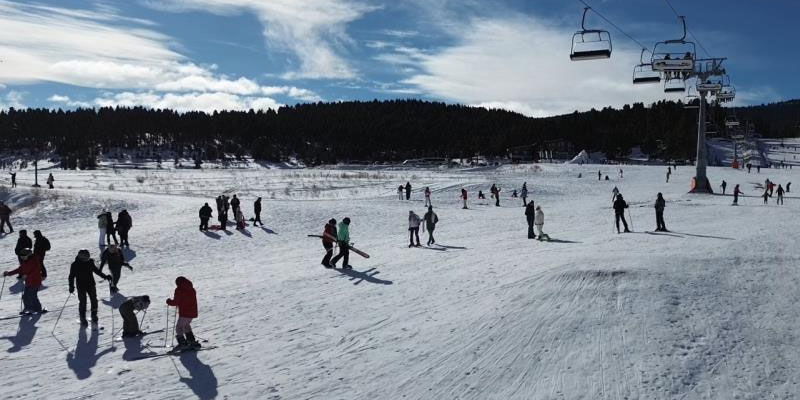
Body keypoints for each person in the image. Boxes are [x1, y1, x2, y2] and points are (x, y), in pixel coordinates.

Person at [69, 249, 111, 326]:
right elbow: (71, 277)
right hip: (81, 285)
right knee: (83, 302)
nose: (87, 260)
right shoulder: (74, 265)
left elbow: (97, 271)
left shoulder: (90, 262)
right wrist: (71, 286)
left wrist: (105, 276)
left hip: (90, 284)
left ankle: (94, 314)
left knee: (94, 299)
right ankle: (82, 317)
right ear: (81, 258)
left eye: (88, 258)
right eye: (86, 259)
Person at [3, 249, 46, 314]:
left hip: (35, 282)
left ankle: (38, 309)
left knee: (32, 296)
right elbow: (20, 269)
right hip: (28, 282)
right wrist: (9, 273)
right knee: (25, 296)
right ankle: (28, 308)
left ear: (29, 255)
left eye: (24, 256)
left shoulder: (34, 261)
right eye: (21, 256)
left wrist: (27, 275)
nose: (22, 257)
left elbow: (36, 271)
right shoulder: (25, 261)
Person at [166, 276, 200, 351]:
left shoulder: (179, 290)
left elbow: (176, 302)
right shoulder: (192, 289)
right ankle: (191, 341)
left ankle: (183, 344)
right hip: (192, 312)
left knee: (179, 327)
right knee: (186, 325)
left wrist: (169, 301)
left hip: (185, 312)